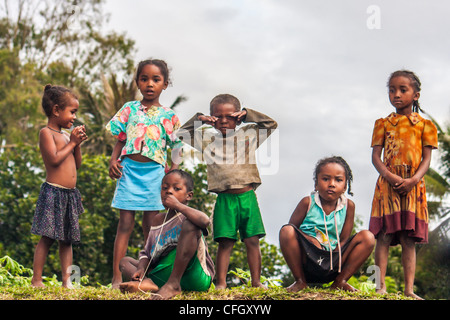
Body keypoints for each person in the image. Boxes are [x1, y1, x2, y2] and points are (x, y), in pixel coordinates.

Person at [178, 94, 278, 289]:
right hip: (225, 200)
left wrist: (248, 114)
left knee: (252, 241)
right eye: (218, 116)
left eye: (230, 116)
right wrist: (200, 119)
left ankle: (256, 282)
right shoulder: (207, 140)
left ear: (238, 117)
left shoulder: (249, 134)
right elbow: (182, 133)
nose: (224, 120)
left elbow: (271, 124)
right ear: (212, 119)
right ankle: (221, 284)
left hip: (248, 197)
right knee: (225, 243)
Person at [106, 59, 183, 289]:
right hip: (128, 172)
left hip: (155, 175)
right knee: (125, 224)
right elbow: (121, 139)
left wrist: (174, 170)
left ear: (165, 84)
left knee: (151, 228)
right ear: (138, 82)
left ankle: (148, 276)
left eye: (156, 79)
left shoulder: (169, 116)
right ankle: (116, 278)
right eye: (144, 78)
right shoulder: (129, 109)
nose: (150, 84)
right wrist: (113, 159)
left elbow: (176, 146)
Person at [369, 70, 438, 299]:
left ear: (416, 95)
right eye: (391, 90)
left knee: (409, 239)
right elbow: (376, 158)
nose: (396, 94)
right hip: (387, 185)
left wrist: (413, 180)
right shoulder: (382, 123)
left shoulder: (426, 125)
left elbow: (426, 159)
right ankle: (380, 287)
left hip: (413, 185)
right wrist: (391, 177)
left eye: (402, 90)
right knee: (384, 236)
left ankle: (409, 290)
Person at [279, 156, 375, 292]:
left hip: (333, 261)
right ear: (316, 184)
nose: (331, 184)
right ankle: (300, 281)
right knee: (286, 230)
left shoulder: (349, 206)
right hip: (308, 260)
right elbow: (291, 232)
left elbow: (343, 240)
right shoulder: (307, 203)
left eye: (338, 180)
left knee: (368, 237)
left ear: (345, 186)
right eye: (325, 179)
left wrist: (332, 256)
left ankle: (339, 282)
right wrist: (311, 241)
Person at [118, 169, 215, 300]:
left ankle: (173, 284)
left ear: (189, 195)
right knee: (125, 261)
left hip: (192, 274)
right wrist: (141, 268)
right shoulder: (157, 220)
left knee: (191, 225)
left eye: (176, 189)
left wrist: (178, 206)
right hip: (164, 274)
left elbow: (205, 221)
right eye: (165, 188)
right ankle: (147, 283)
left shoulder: (187, 216)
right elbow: (147, 253)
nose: (169, 191)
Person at [31, 84, 88, 288]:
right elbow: (54, 160)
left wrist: (77, 145)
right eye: (72, 112)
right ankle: (37, 279)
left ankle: (67, 281)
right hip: (53, 193)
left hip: (69, 194)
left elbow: (77, 165)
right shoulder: (46, 133)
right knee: (47, 237)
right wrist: (72, 143)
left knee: (67, 240)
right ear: (56, 110)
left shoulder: (66, 136)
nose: (74, 117)